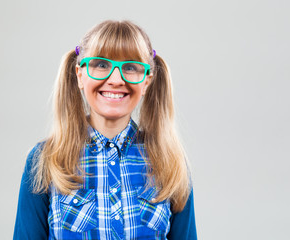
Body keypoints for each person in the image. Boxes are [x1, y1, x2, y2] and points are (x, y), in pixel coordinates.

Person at [13, 20, 197, 240]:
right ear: (80, 75)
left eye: (130, 67)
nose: (116, 79)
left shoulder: (169, 162)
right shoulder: (44, 161)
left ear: (146, 81)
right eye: (101, 65)